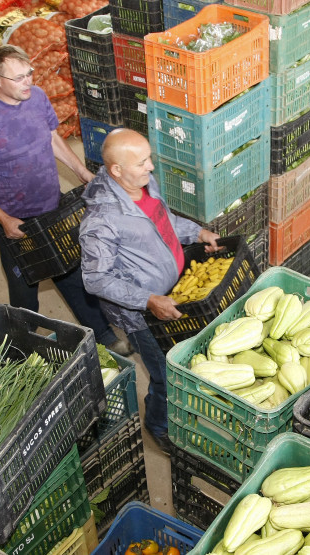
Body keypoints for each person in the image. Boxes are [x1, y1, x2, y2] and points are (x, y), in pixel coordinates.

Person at [0, 44, 131, 356]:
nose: (28, 82)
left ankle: (104, 335)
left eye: (29, 74)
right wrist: (3, 219)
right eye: (18, 78)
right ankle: (23, 349)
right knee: (25, 292)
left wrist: (80, 170)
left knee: (72, 273)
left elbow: (52, 136)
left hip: (52, 209)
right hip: (17, 222)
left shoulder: (36, 97)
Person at [78, 128, 221, 452]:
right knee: (164, 374)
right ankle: (159, 425)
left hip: (173, 291)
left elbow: (164, 220)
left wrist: (195, 232)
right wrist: (147, 299)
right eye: (142, 162)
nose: (150, 168)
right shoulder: (102, 219)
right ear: (116, 170)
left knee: (184, 357)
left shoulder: (141, 182)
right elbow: (96, 279)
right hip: (142, 314)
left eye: (149, 159)